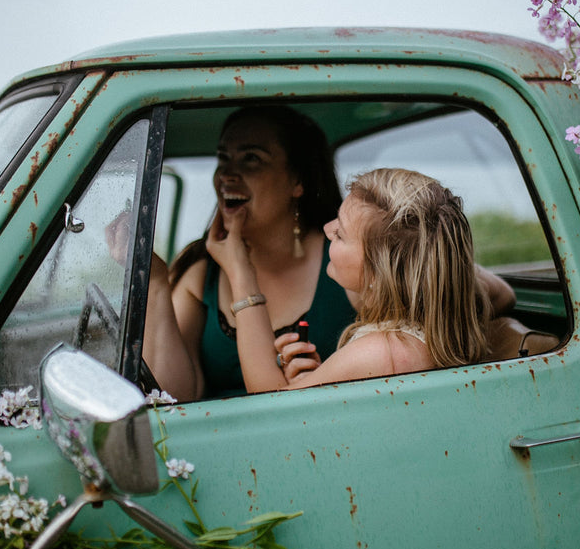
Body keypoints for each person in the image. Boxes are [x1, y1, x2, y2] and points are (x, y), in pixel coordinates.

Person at [138, 109, 515, 401]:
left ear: (298, 181)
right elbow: (172, 398)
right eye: (224, 158)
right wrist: (155, 282)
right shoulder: (200, 271)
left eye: (251, 159)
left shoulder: (351, 266)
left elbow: (490, 292)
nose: (227, 175)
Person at [210, 167, 489, 393]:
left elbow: (268, 403)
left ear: (377, 275)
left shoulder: (383, 352)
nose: (327, 229)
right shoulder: (400, 341)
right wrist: (319, 378)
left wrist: (240, 272)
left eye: (341, 234)